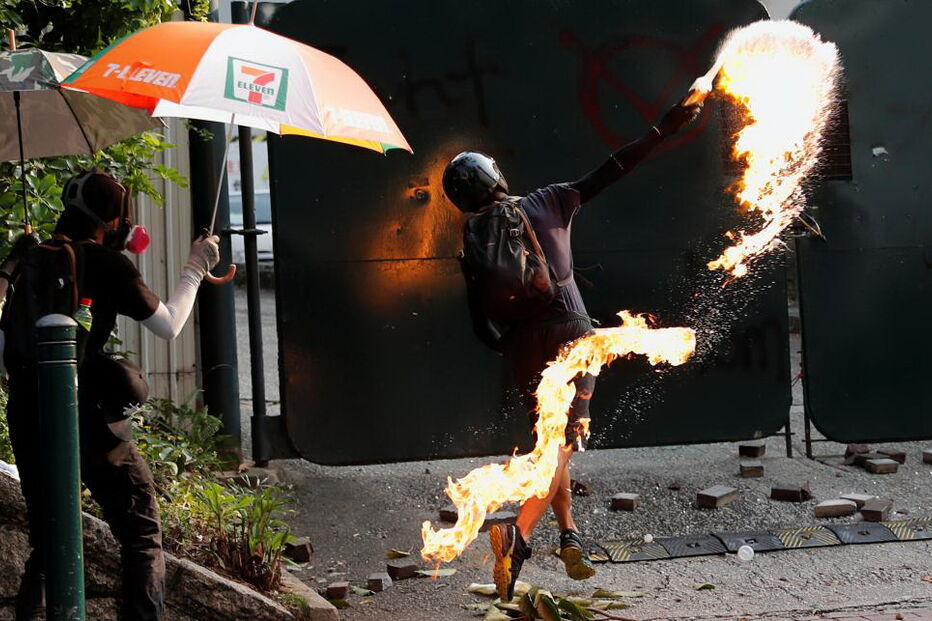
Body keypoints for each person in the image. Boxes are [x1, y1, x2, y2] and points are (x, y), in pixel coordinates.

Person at [442, 101, 702, 600]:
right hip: (569, 335)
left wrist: (511, 346)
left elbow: (481, 321)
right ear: (496, 176)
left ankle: (569, 535)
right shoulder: (548, 202)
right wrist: (665, 126)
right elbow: (613, 168)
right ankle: (518, 536)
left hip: (521, 345)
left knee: (551, 443)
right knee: (557, 446)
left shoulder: (471, 240)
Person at [0, 170, 221, 621]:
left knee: (48, 544)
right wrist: (197, 265)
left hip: (26, 410)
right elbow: (170, 324)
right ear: (116, 219)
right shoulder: (102, 261)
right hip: (85, 416)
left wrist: (8, 268)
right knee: (141, 535)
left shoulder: (31, 258)